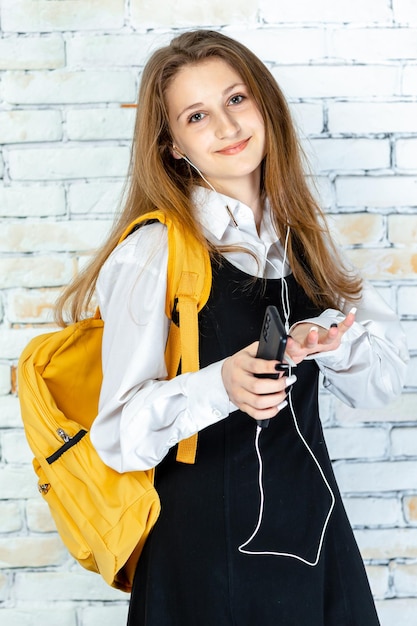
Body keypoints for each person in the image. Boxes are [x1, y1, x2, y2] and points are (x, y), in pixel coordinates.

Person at [56, 29, 408, 626]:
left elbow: (384, 384)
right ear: (173, 146)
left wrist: (328, 340)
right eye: (198, 115)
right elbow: (116, 435)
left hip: (316, 544)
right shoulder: (154, 251)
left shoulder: (304, 239)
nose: (227, 126)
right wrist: (220, 384)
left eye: (237, 99)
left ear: (264, 104)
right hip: (203, 563)